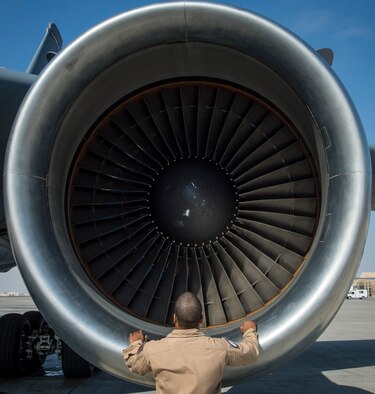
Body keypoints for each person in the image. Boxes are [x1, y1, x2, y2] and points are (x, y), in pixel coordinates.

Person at [123, 291, 260, 394]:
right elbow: (251, 353)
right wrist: (249, 331)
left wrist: (137, 343)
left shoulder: (153, 350)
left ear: (174, 318)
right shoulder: (220, 347)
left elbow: (134, 363)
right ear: (201, 319)